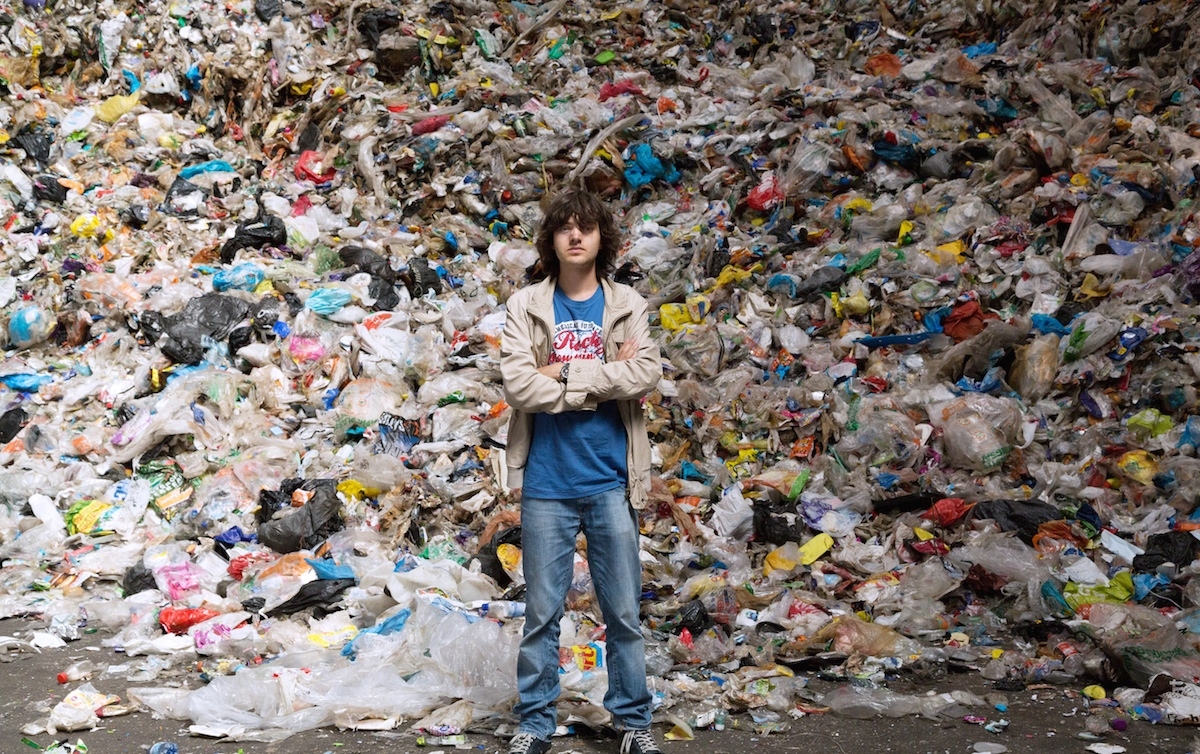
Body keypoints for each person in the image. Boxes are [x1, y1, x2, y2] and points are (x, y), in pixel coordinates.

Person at [500, 188, 664, 754]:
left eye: (586, 228)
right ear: (551, 241)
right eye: (565, 228)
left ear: (601, 239)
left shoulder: (625, 304)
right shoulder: (526, 305)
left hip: (611, 480)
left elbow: (645, 373)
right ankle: (534, 724)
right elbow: (518, 384)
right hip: (546, 482)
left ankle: (633, 722)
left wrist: (564, 374)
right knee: (541, 613)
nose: (575, 236)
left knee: (622, 612)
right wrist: (597, 374)